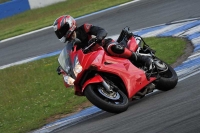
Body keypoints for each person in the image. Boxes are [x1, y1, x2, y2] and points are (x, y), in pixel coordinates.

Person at [53, 15, 152, 70]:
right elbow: (70, 58)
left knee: (113, 48)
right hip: (94, 59)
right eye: (59, 33)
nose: (62, 33)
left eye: (63, 30)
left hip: (103, 46)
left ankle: (142, 58)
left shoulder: (84, 28)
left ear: (70, 24)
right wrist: (64, 68)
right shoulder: (71, 45)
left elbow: (101, 31)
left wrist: (98, 37)